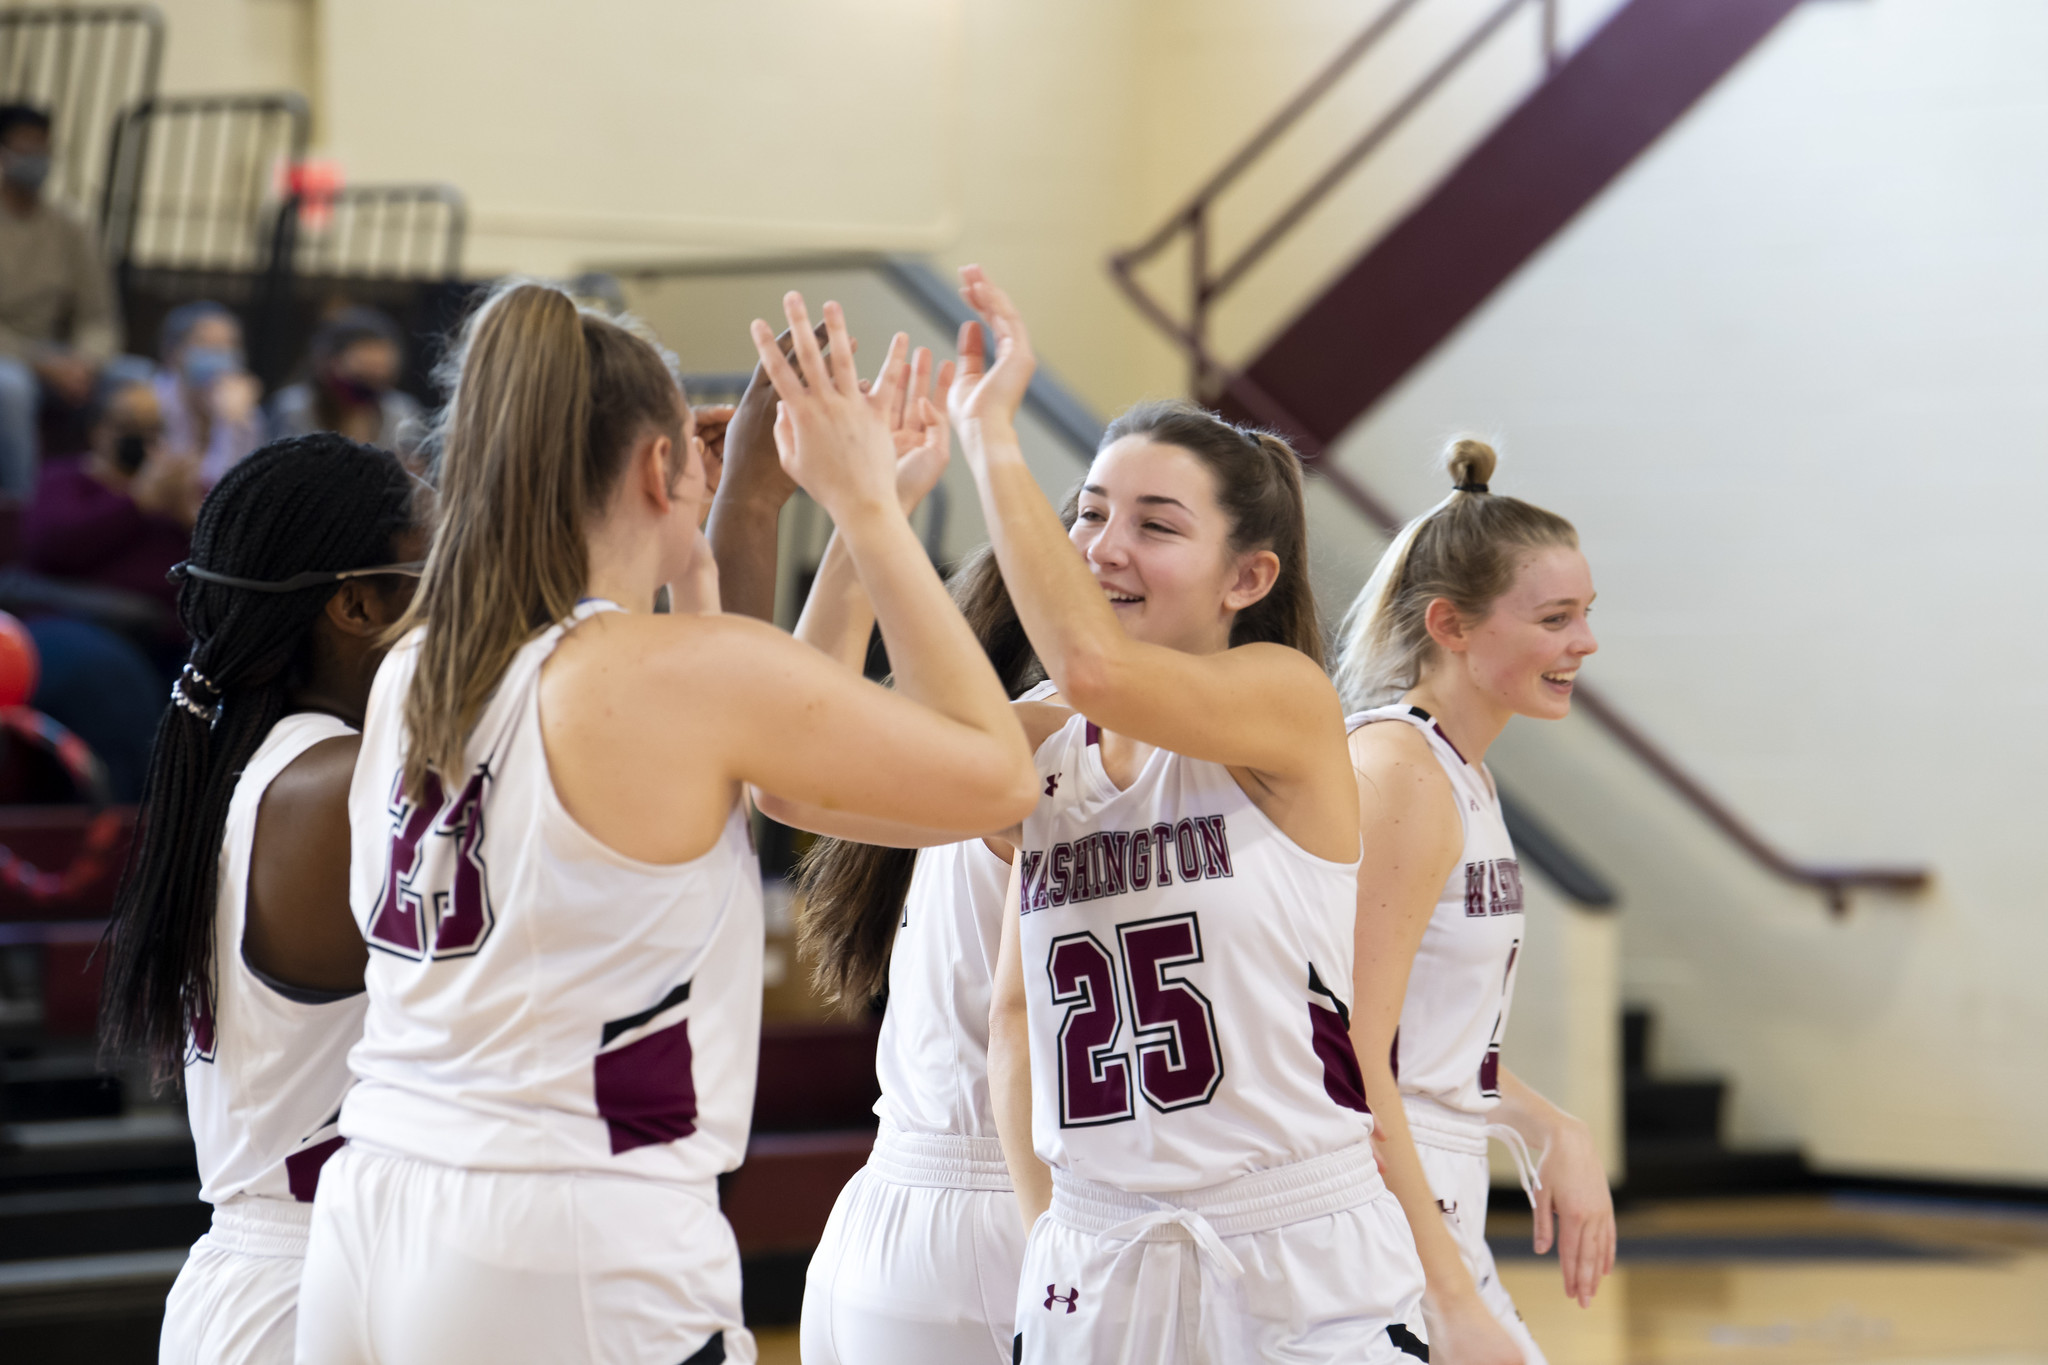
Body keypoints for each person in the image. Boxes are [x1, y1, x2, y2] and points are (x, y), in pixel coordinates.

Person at [293, 283, 1039, 1365]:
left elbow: (770, 764)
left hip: (379, 1207)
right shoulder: (662, 680)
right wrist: (873, 512)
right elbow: (996, 775)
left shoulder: (421, 664)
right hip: (570, 1233)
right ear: (654, 469)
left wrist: (737, 534)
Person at [763, 267, 1428, 1365]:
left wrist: (991, 438)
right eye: (1089, 514)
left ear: (1245, 577)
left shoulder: (1285, 707)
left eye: (1153, 525)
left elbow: (1095, 663)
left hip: (1291, 1255)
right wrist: (861, 512)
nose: (1102, 546)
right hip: (1096, 1258)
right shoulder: (1038, 751)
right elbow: (798, 770)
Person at [94, 433, 425, 1365]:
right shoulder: (339, 786)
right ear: (357, 602)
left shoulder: (264, 767)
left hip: (271, 1279)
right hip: (311, 1285)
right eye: (442, 568)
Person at [787, 349, 1063, 1365]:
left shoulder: (990, 752)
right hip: (1009, 1224)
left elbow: (794, 747)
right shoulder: (1046, 742)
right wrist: (869, 514)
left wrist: (873, 517)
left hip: (887, 1221)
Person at [1332, 439, 1617, 1364]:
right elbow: (1350, 1057)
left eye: (1585, 614)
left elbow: (1426, 1047)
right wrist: (1447, 1293)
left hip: (1433, 1191)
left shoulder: (1463, 774)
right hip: (1376, 1208)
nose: (1585, 642)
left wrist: (1546, 1122)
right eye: (1555, 617)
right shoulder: (1400, 774)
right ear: (1451, 625)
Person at [0, 103, 121, 496]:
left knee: (139, 382)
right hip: (13, 357)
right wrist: (42, 363)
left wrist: (85, 362)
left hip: (63, 358)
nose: (37, 159)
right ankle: (24, 515)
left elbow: (99, 316)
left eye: (43, 147)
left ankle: (136, 512)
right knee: (11, 389)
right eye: (25, 147)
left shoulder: (71, 226)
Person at [268, 307, 425, 457]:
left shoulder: (401, 413)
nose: (373, 382)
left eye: (382, 372)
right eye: (365, 369)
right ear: (329, 362)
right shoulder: (295, 409)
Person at [155, 302, 265, 487]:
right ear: (172, 353)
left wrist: (231, 423)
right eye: (206, 344)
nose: (221, 356)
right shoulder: (154, 402)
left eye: (230, 345)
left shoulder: (244, 411)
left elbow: (235, 489)